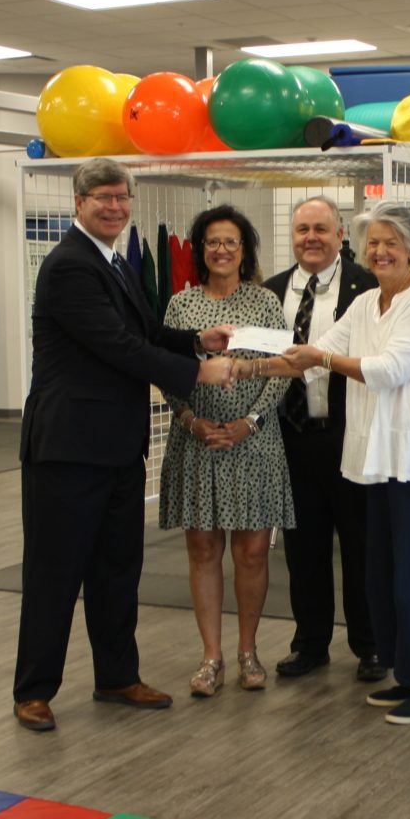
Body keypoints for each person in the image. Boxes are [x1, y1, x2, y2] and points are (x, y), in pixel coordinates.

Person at [13, 158, 234, 733]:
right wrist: (197, 373)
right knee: (55, 573)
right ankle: (34, 691)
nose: (113, 206)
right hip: (67, 448)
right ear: (78, 203)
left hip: (116, 447)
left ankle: (116, 676)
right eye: (101, 197)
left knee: (117, 570)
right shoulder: (68, 266)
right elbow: (117, 346)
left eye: (121, 197)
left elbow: (142, 333)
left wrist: (195, 340)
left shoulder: (115, 260)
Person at [234, 201, 410, 726]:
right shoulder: (366, 305)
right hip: (381, 460)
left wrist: (317, 359)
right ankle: (407, 675)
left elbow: (387, 370)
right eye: (374, 243)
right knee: (385, 575)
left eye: (391, 242)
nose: (381, 251)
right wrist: (244, 360)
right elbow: (315, 349)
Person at [159, 205, 294, 697]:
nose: (221, 250)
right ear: (200, 250)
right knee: (203, 549)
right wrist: (191, 420)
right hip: (197, 443)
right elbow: (167, 369)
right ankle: (211, 657)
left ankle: (248, 651)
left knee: (253, 551)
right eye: (212, 242)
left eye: (230, 242)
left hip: (253, 442)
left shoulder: (264, 303)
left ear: (245, 251)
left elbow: (281, 368)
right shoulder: (180, 306)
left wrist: (248, 421)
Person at [263, 196, 384, 683]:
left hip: (347, 434)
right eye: (301, 230)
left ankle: (370, 645)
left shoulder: (368, 288)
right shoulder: (270, 292)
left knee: (360, 545)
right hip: (291, 439)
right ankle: (309, 641)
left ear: (340, 237)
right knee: (302, 547)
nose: (310, 238)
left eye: (320, 229)